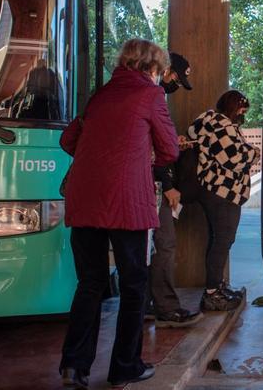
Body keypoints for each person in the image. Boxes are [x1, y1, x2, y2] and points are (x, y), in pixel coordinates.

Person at [58, 38, 178, 389]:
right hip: (126, 202)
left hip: (85, 199)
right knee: (134, 284)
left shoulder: (100, 95)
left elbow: (68, 141)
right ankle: (125, 366)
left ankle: (73, 367)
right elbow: (170, 149)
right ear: (153, 68)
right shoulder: (151, 95)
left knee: (90, 283)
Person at [187, 90, 257, 311]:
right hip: (222, 190)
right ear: (235, 107)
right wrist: (254, 152)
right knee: (223, 239)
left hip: (212, 189)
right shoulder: (222, 125)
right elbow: (234, 159)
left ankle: (216, 286)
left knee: (218, 239)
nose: (244, 113)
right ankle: (212, 293)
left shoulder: (210, 123)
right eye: (242, 108)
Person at [147, 52, 203, 328]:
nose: (175, 86)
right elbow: (152, 150)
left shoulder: (134, 95)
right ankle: (166, 307)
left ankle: (146, 302)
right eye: (175, 80)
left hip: (141, 183)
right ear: (165, 70)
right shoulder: (153, 97)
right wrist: (167, 185)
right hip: (155, 185)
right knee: (164, 245)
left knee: (146, 248)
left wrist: (172, 143)